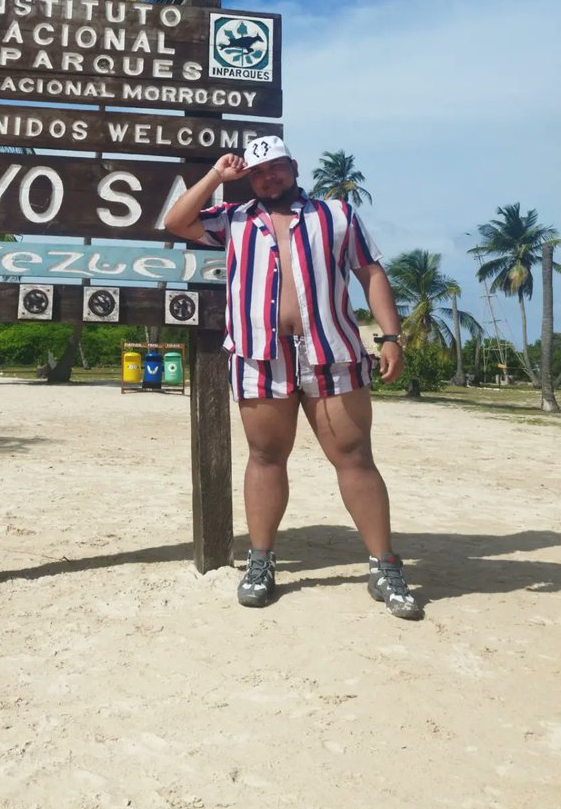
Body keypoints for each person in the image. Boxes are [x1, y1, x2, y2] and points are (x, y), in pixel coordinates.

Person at [164, 135, 423, 620]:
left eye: (277, 168)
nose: (269, 177)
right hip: (260, 354)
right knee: (265, 456)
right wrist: (218, 178)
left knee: (354, 457)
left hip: (332, 354)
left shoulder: (337, 214)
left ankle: (384, 564)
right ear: (249, 177)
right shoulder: (234, 219)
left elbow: (370, 273)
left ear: (293, 167)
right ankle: (261, 562)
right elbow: (176, 221)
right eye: (258, 172)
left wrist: (391, 336)